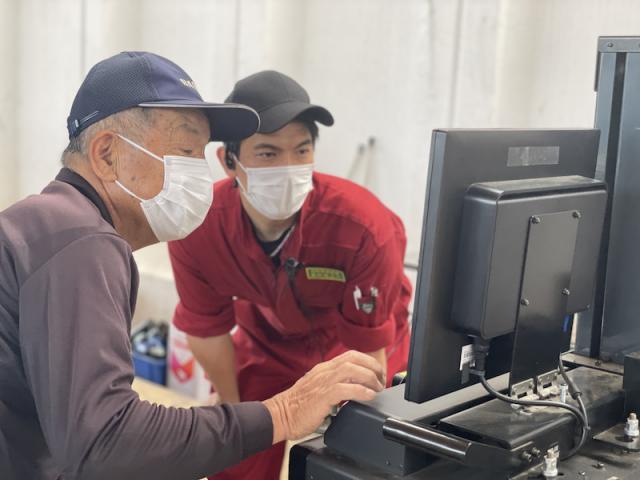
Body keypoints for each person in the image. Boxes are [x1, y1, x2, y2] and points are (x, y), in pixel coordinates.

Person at [0, 52, 385, 480]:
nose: (198, 174)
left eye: (199, 154)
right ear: (107, 154)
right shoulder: (82, 241)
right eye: (184, 151)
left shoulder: (52, 226)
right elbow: (105, 442)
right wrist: (284, 411)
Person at [169, 70, 412, 479]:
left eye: (301, 151)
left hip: (361, 345)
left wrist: (354, 424)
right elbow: (207, 330)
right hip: (269, 345)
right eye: (267, 153)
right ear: (228, 161)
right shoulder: (197, 226)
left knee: (365, 459)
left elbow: (369, 355)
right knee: (235, 452)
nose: (288, 167)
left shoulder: (362, 227)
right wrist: (233, 410)